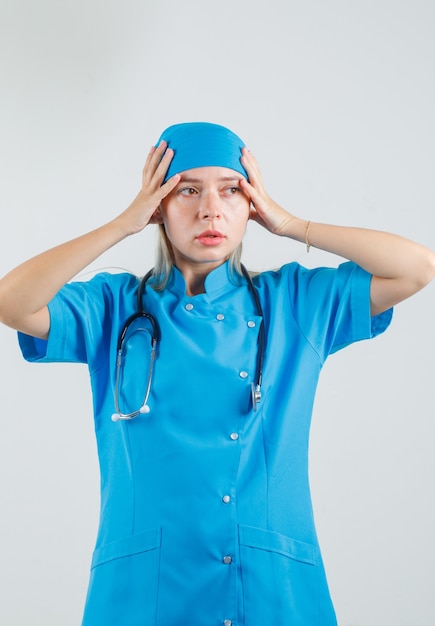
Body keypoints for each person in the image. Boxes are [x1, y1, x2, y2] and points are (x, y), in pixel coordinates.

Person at [0, 122, 434, 626]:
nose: (211, 209)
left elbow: (417, 268)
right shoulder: (113, 308)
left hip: (271, 589)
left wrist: (292, 224)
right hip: (148, 592)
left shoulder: (294, 304)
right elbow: (12, 302)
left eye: (231, 190)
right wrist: (122, 224)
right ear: (158, 206)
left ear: (250, 204)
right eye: (187, 190)